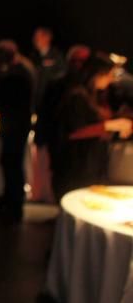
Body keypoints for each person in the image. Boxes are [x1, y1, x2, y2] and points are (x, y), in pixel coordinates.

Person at [51, 51, 133, 196]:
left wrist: (117, 124)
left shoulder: (96, 95)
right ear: (97, 74)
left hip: (92, 162)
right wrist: (111, 125)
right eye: (109, 75)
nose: (110, 79)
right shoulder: (77, 96)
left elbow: (98, 123)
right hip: (76, 164)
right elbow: (74, 130)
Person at [0, 40, 35, 222]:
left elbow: (2, 96)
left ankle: (14, 204)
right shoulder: (24, 69)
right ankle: (10, 199)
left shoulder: (17, 74)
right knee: (10, 162)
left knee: (12, 163)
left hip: (15, 125)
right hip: (17, 124)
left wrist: (0, 76)